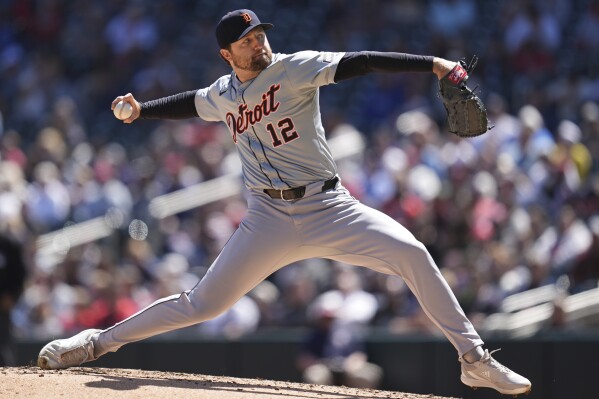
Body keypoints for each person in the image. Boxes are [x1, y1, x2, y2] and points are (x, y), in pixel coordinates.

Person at [38, 9, 531, 396]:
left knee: (413, 254)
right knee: (203, 304)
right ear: (227, 54)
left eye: (261, 35)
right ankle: (95, 344)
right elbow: (192, 102)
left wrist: (432, 64)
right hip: (267, 218)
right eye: (248, 41)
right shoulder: (224, 93)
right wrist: (142, 110)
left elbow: (359, 61)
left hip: (328, 206)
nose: (260, 43)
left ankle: (474, 361)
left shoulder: (293, 69)